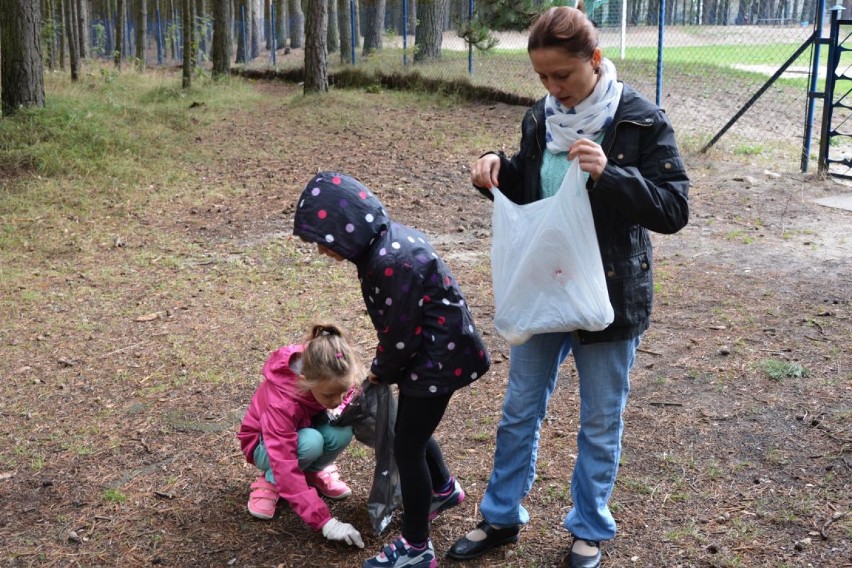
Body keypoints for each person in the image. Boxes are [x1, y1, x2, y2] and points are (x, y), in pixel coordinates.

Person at [446, 5, 690, 568]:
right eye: (543, 78)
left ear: (595, 60)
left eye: (564, 76)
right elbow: (534, 191)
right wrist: (494, 169)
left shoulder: (640, 120)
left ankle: (588, 529)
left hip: (608, 297)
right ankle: (501, 517)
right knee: (519, 408)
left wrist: (612, 173)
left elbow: (674, 209)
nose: (555, 89)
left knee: (600, 418)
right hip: (543, 291)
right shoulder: (542, 118)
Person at [293, 171, 491, 568]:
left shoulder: (389, 261)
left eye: (322, 241)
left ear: (343, 229)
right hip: (440, 352)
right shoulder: (384, 243)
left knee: (407, 446)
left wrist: (379, 372)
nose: (321, 252)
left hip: (437, 360)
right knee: (411, 432)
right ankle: (443, 490)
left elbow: (401, 337)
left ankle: (417, 547)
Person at [237, 323, 365, 549]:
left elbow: (346, 397)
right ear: (306, 380)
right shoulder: (282, 402)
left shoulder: (330, 367)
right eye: (329, 394)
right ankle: (269, 481)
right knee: (310, 443)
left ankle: (312, 472)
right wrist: (325, 522)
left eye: (342, 392)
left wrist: (343, 404)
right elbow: (283, 460)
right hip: (264, 446)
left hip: (304, 428)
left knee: (343, 430)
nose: (337, 400)